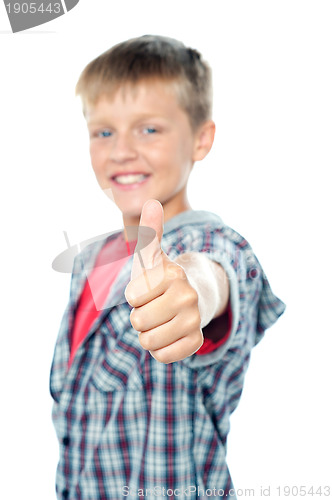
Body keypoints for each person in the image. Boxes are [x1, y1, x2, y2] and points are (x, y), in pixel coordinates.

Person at [50, 35, 286, 500]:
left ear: (201, 139)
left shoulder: (211, 245)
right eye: (103, 132)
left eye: (149, 129)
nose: (121, 151)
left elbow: (214, 275)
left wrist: (193, 293)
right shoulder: (87, 262)